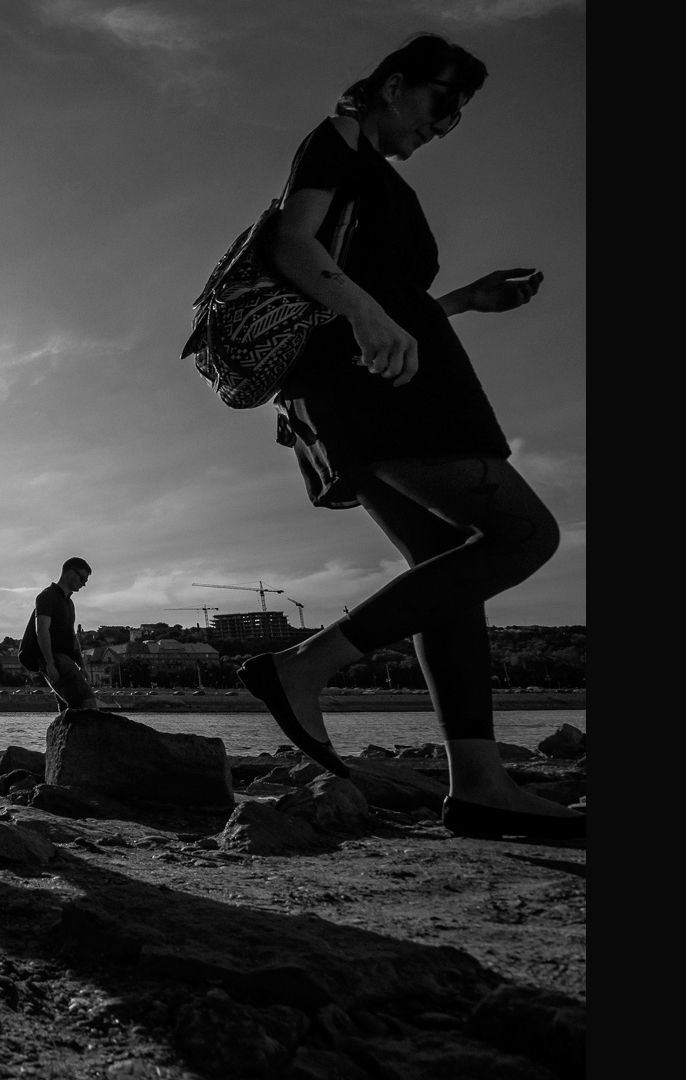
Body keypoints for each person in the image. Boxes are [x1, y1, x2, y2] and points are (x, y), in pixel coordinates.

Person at [235, 34, 579, 840]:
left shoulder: (370, 171)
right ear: (393, 85)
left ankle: (480, 786)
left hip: (355, 386)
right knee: (525, 535)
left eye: (459, 114)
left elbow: (378, 291)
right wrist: (365, 313)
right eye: (441, 101)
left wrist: (460, 302)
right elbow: (293, 242)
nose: (446, 123)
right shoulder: (339, 138)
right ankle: (302, 668)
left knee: (447, 570)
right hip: (386, 389)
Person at [20, 557, 100, 711]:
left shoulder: (69, 603)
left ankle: (66, 727)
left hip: (63, 659)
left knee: (69, 708)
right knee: (87, 702)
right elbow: (41, 630)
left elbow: (71, 636)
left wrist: (81, 665)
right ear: (70, 574)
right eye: (82, 578)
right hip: (55, 658)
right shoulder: (47, 596)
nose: (84, 584)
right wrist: (50, 664)